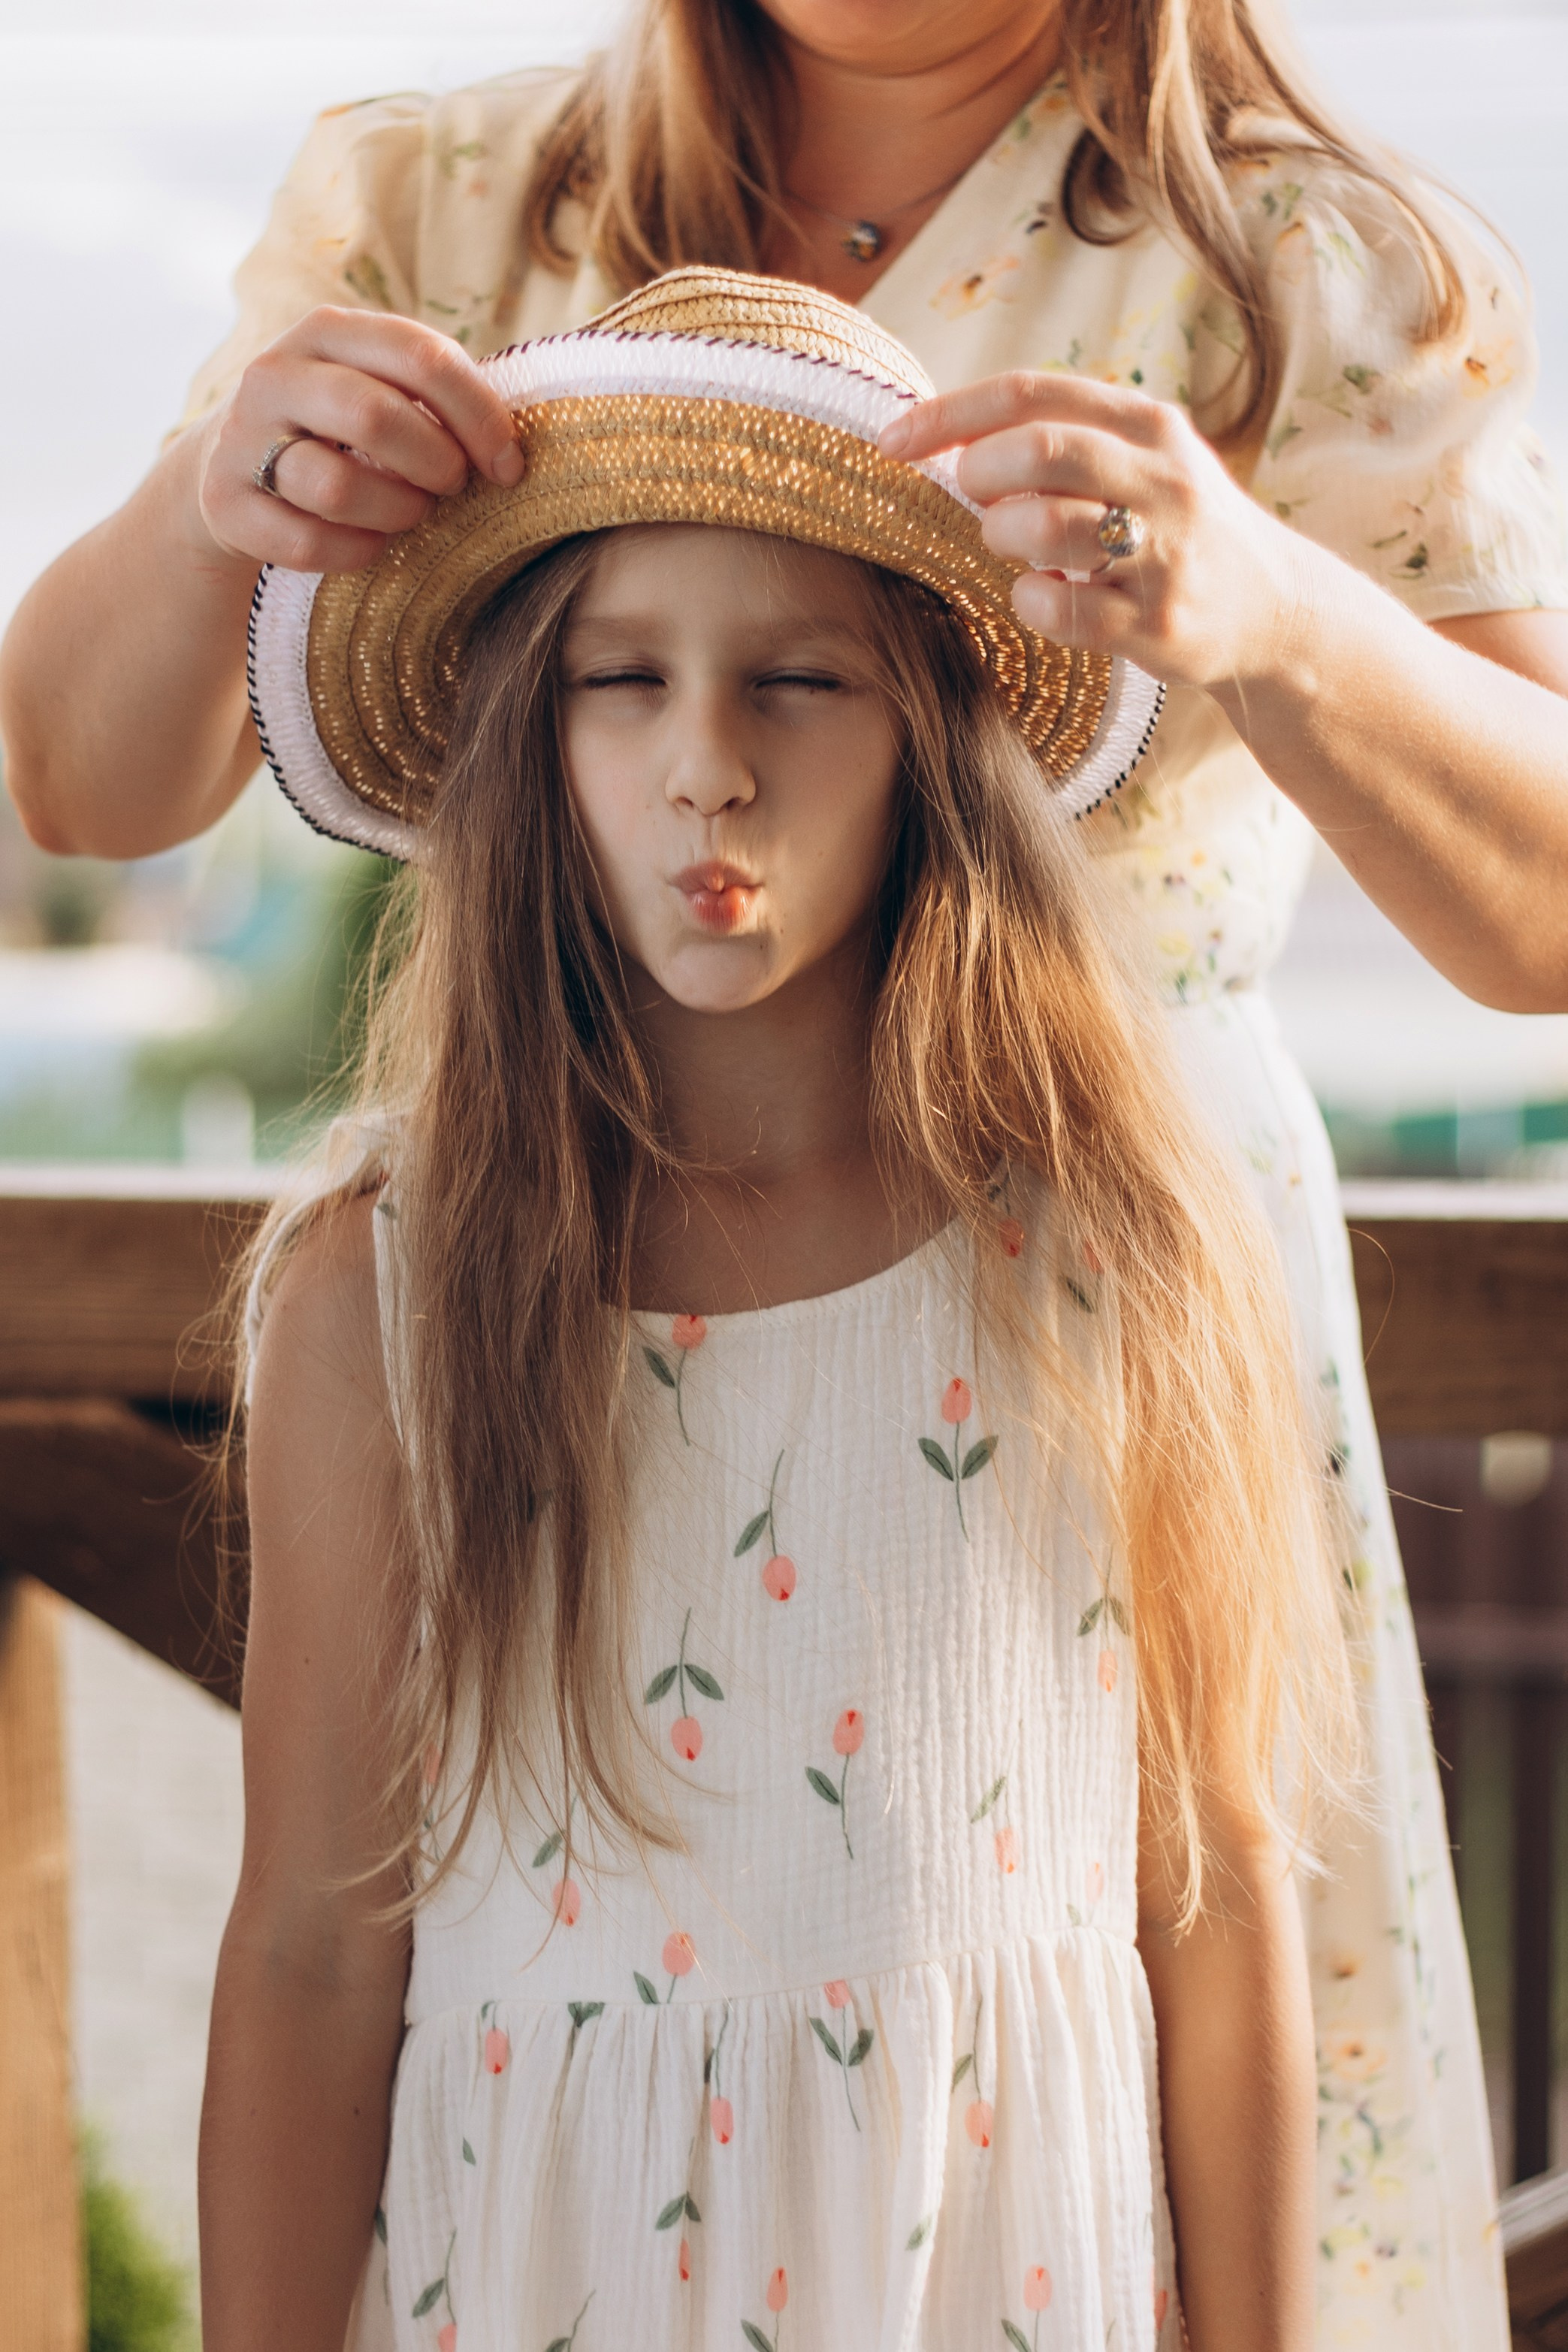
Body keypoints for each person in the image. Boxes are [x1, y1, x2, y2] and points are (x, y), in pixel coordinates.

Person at [4, 4, 1560, 2339]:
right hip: (571, 1220)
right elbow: (84, 779)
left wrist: (1270, 601)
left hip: (1082, 1306)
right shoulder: (452, 200)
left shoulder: (1302, 261)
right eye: (623, 687)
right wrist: (209, 481)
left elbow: (1540, 917)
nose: (703, 758)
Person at [204, 268, 1358, 2352]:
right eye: (620, 680)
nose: (707, 766)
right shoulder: (379, 1289)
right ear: (523, 748)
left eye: (799, 682)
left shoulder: (1119, 1255)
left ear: (929, 732)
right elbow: (306, 1945)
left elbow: (1219, 1887)